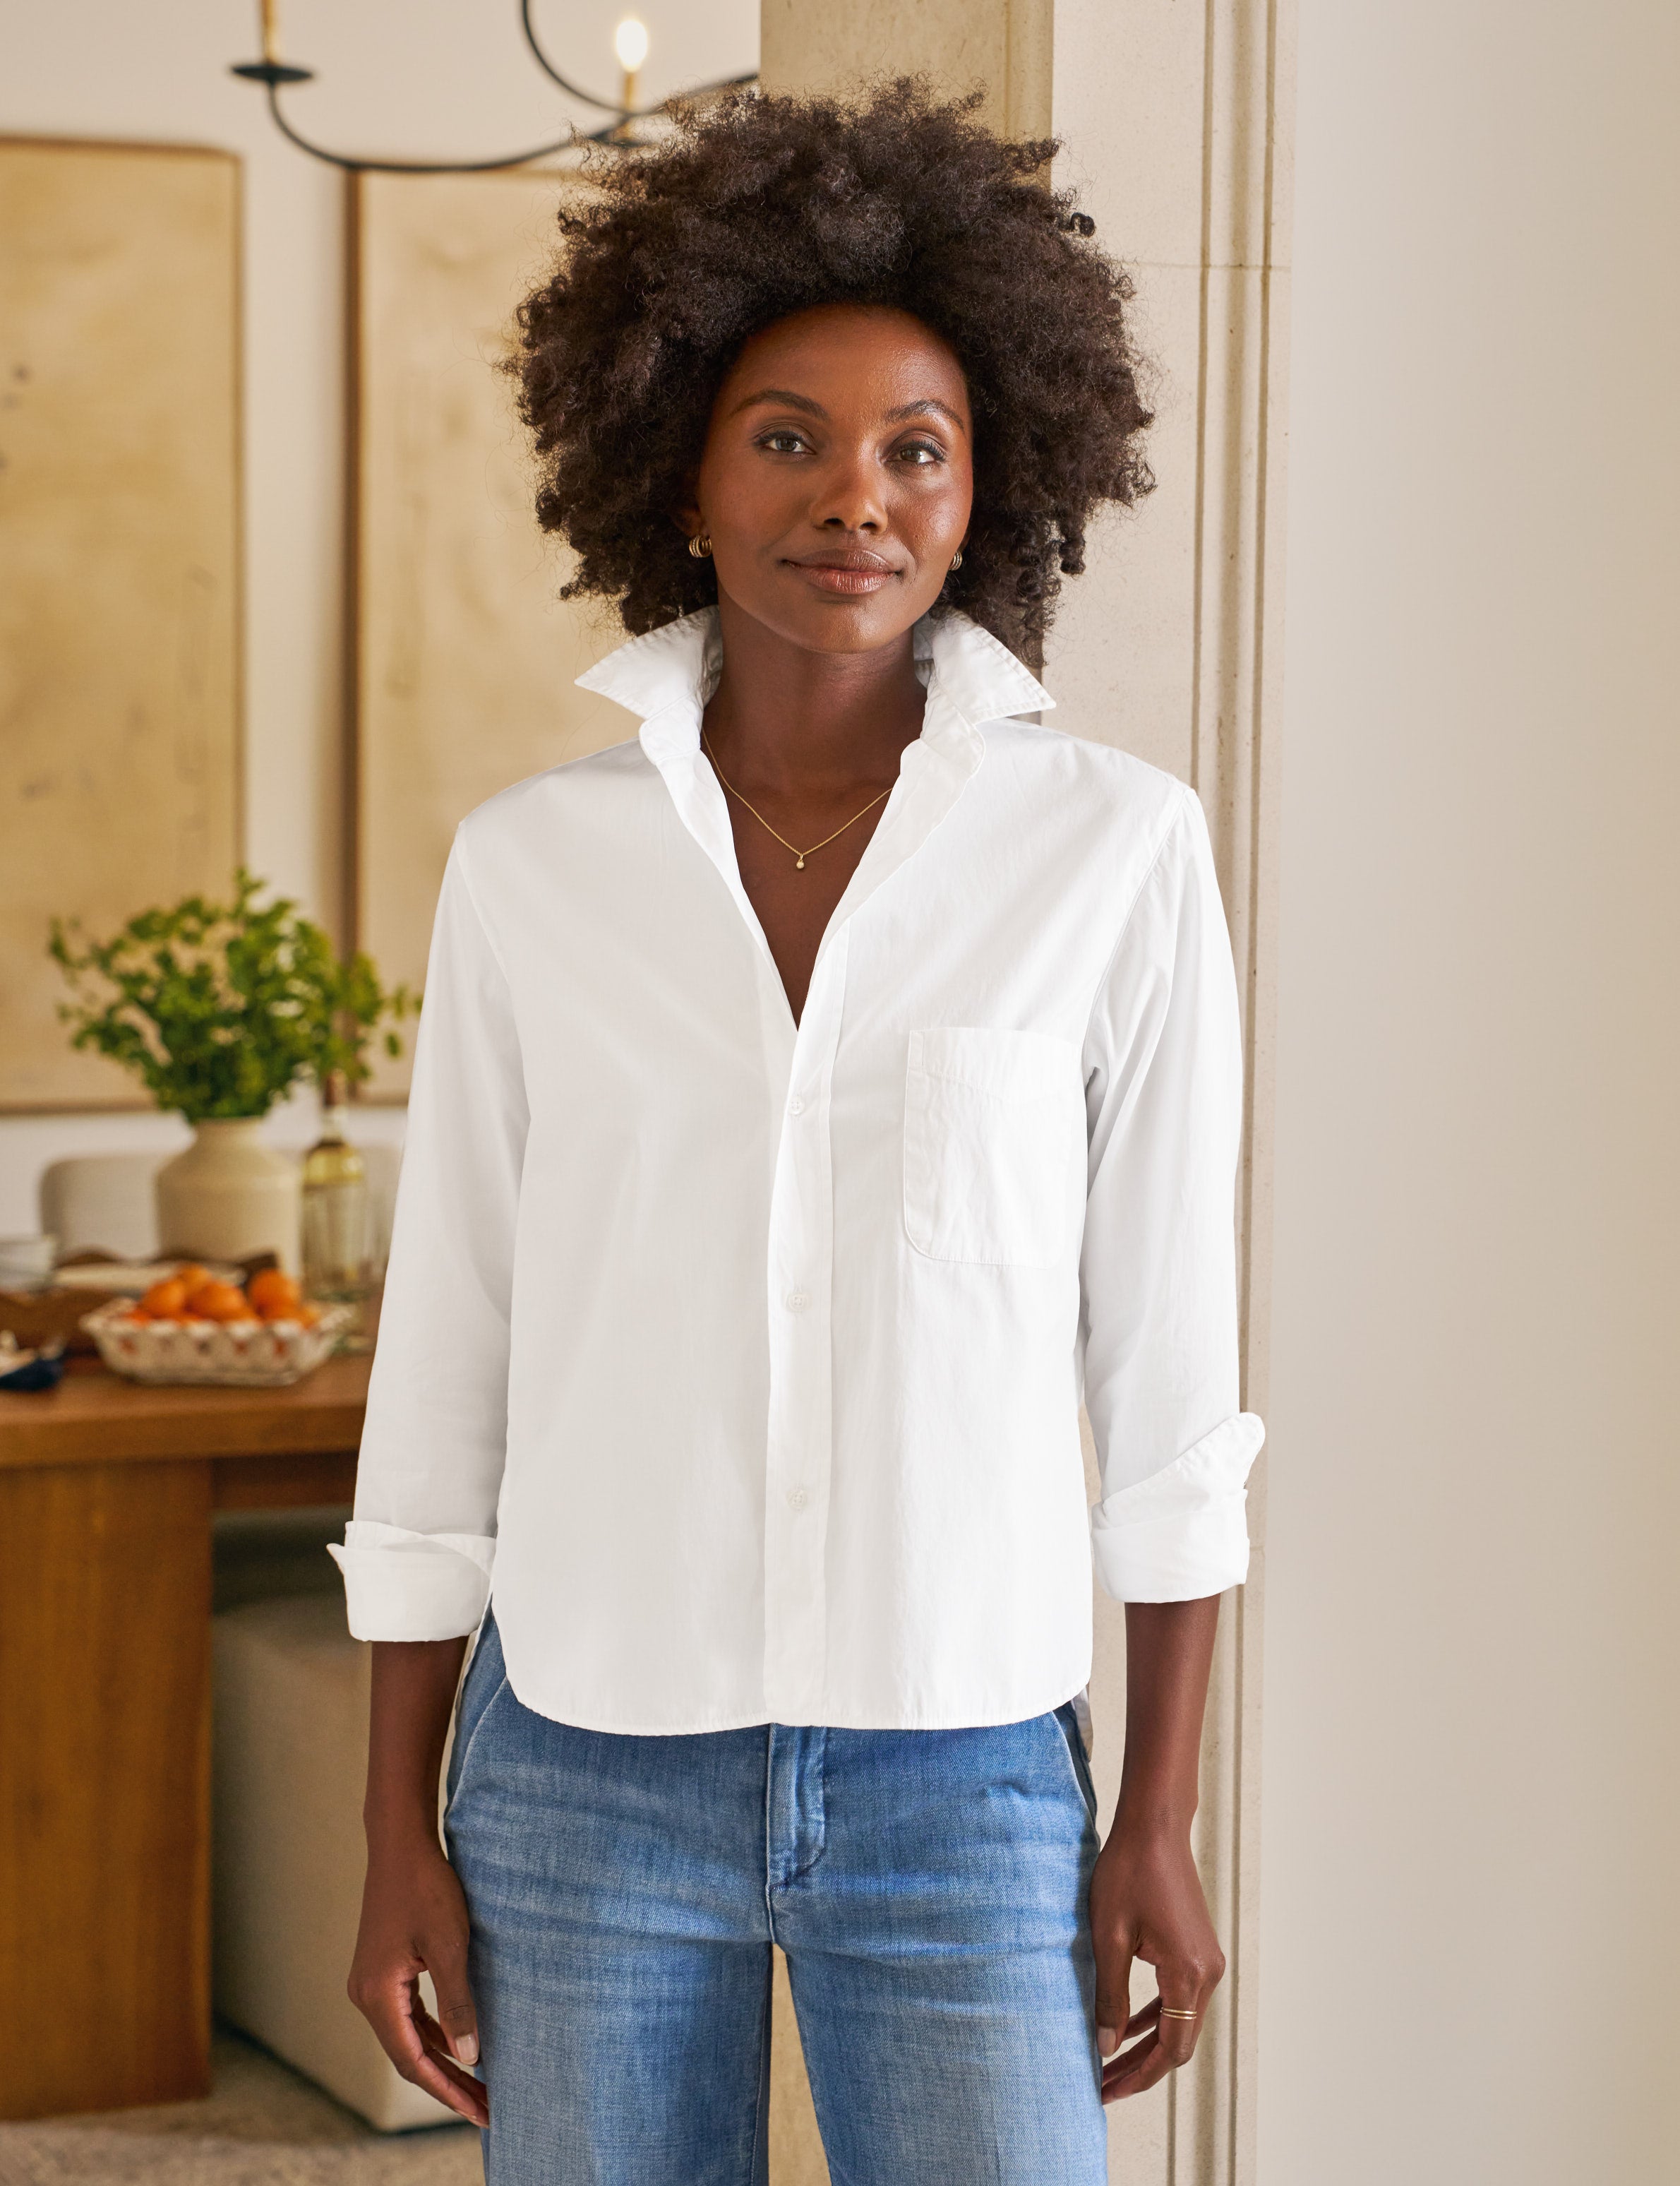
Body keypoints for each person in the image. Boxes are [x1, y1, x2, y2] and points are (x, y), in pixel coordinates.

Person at [332, 79, 1266, 2186]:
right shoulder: (529, 869)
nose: (852, 496)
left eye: (911, 450)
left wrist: (1157, 1823)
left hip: (969, 1780)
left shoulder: (1115, 856)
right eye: (786, 438)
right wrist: (398, 1830)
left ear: (978, 494)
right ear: (676, 475)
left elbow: (1169, 1385)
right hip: (577, 1779)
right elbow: (447, 1368)